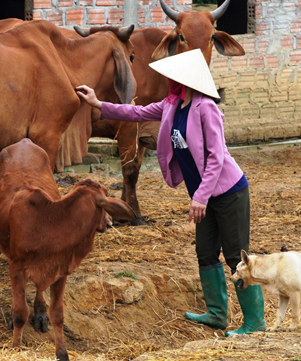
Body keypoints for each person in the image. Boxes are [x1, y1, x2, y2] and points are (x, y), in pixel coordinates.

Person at [75, 48, 265, 336]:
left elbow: (216, 157)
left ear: (187, 78)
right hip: (204, 194)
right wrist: (97, 103)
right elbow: (136, 112)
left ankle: (255, 322)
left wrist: (200, 197)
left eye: (173, 75)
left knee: (236, 258)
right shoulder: (172, 104)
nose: (168, 80)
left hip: (228, 192)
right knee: (205, 252)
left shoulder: (206, 108)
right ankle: (216, 314)